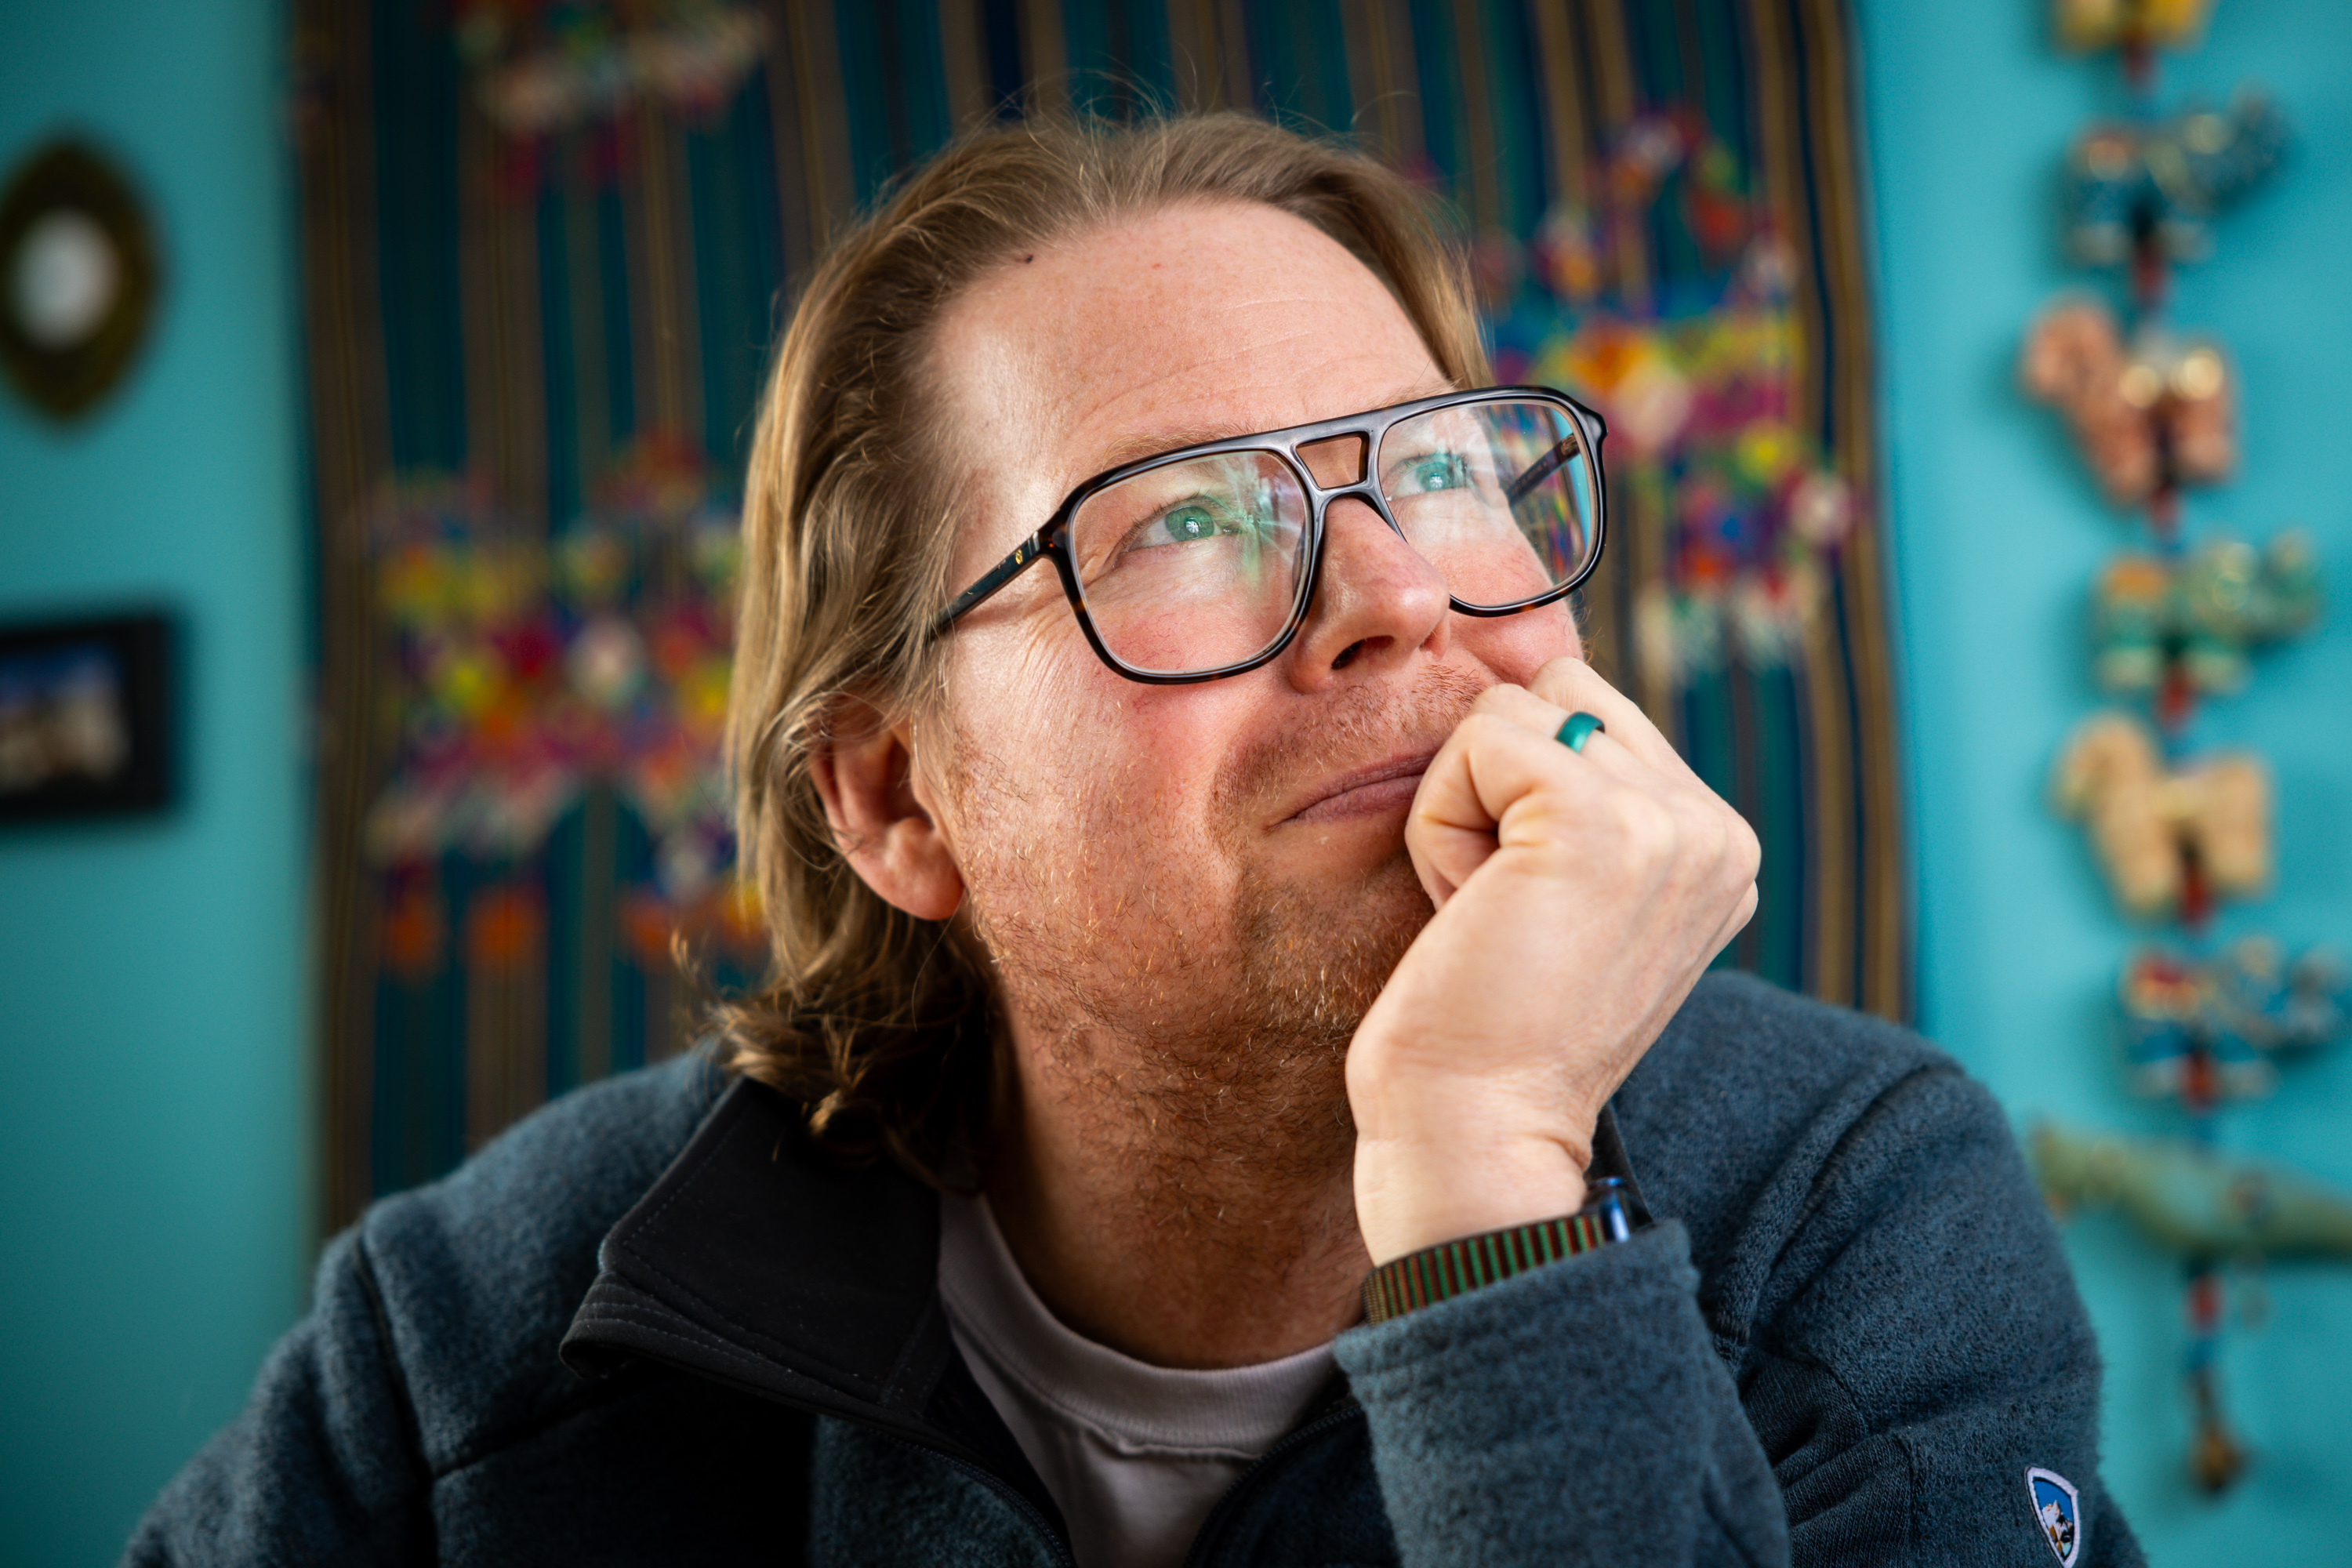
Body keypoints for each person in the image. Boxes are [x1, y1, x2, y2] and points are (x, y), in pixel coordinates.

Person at [129, 111, 2140, 1568]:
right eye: (1185, 515)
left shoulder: (1865, 1221)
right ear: (900, 800)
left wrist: (1489, 1182)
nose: (1401, 596)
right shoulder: (484, 1340)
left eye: (1441, 472)